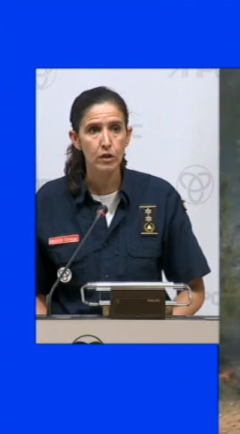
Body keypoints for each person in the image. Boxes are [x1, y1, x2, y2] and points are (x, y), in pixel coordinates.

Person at [36, 86, 211, 316]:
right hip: (75, 345)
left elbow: (193, 291)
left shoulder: (160, 196)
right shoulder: (48, 202)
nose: (106, 141)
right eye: (94, 130)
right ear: (76, 138)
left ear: (128, 136)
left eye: (115, 129)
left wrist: (162, 335)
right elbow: (33, 293)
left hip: (144, 343)